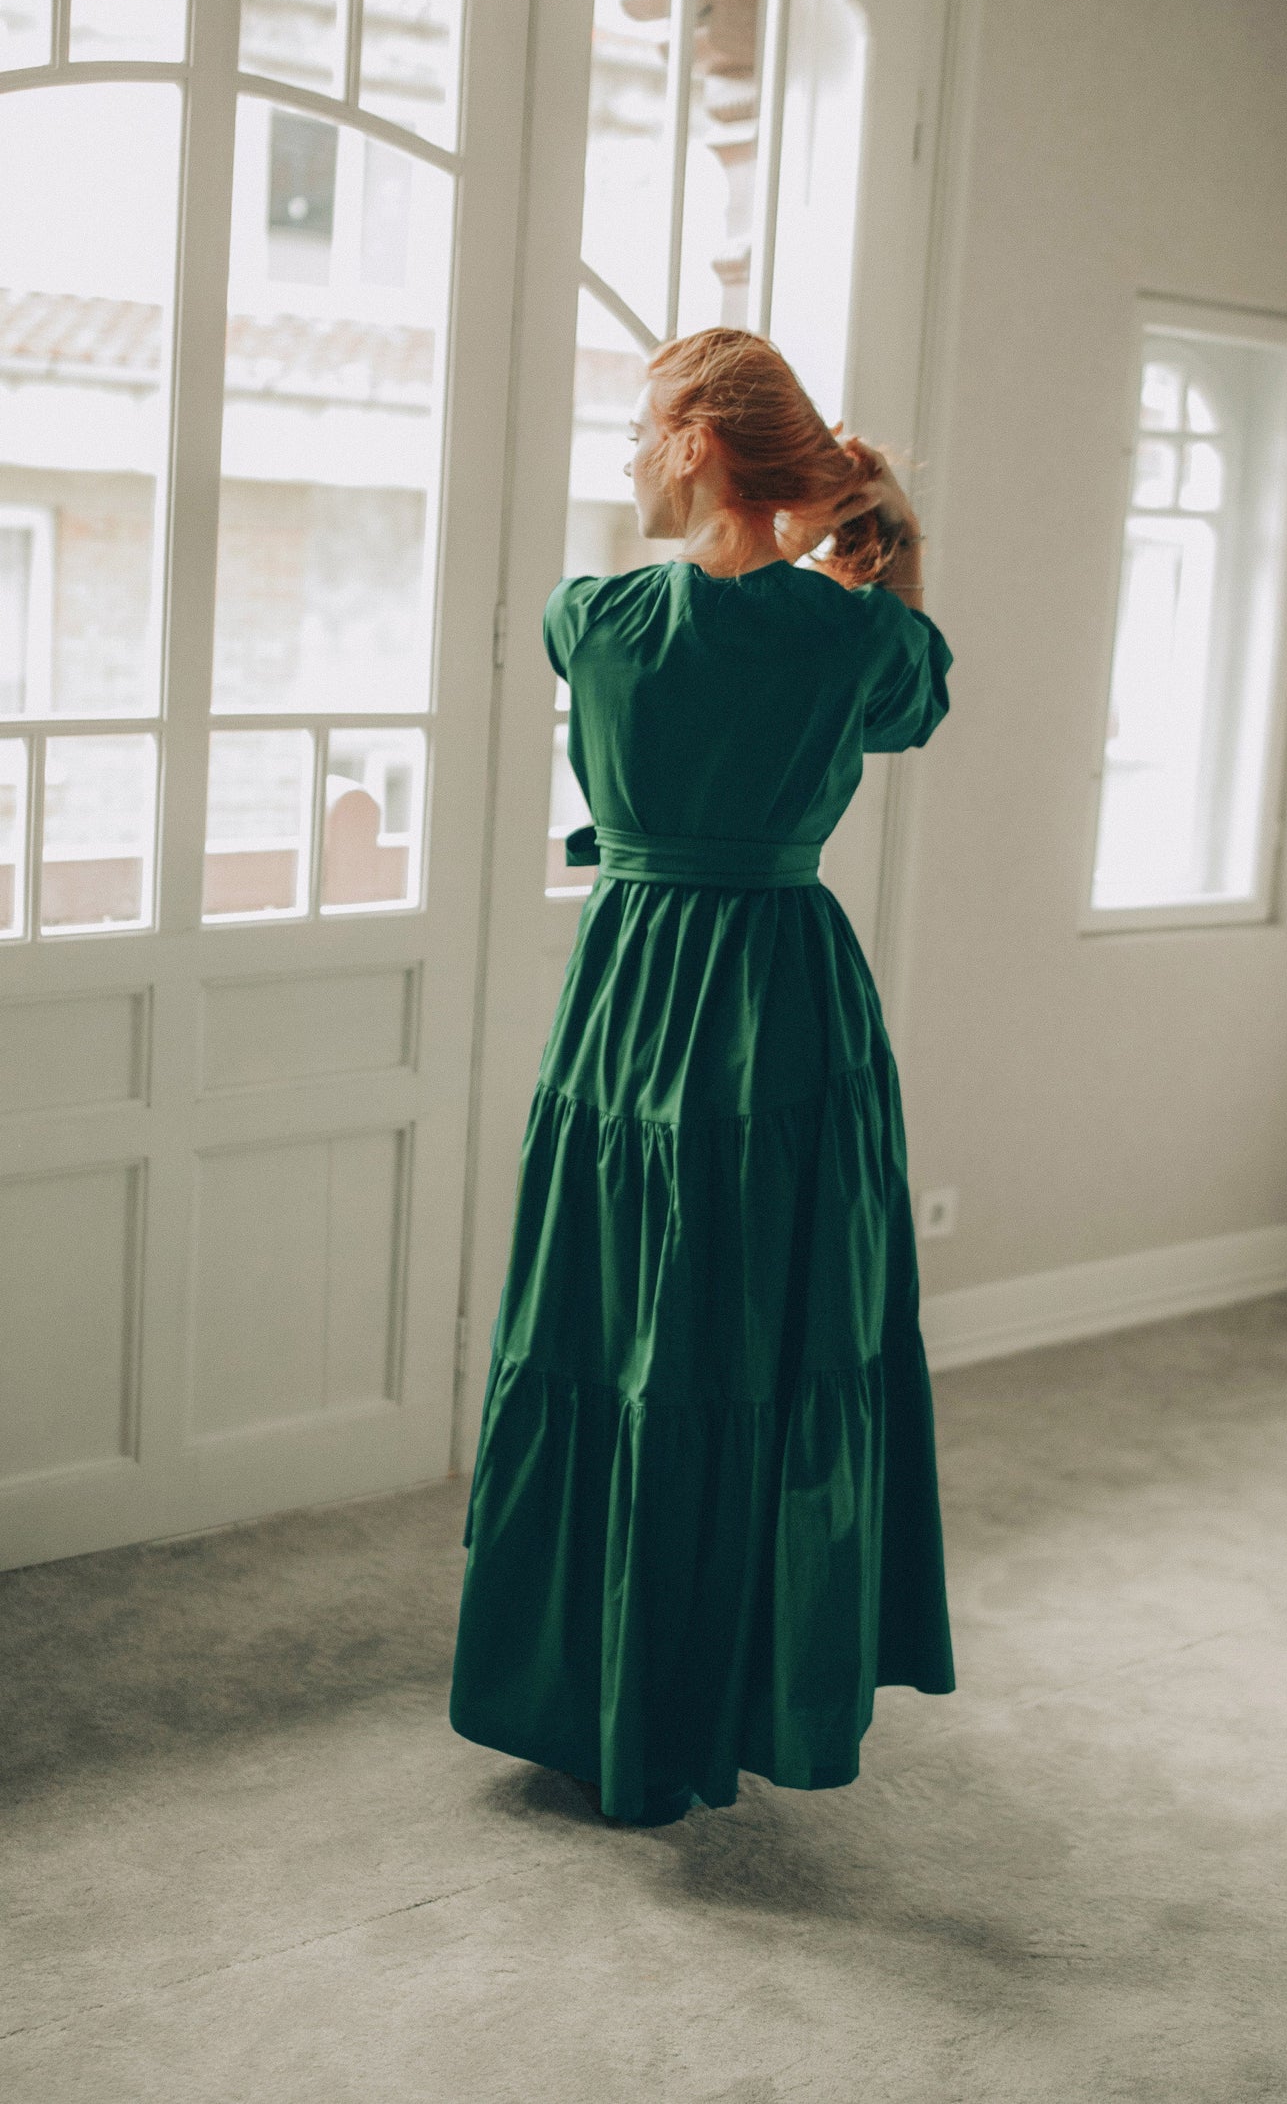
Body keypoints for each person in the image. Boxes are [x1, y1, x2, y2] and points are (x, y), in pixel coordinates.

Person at [450, 326, 956, 1827]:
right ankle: (739, 1677)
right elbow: (908, 703)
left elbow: (658, 639)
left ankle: (599, 1682)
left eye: (636, 425)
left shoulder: (590, 617)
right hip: (786, 998)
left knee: (611, 1329)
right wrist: (876, 551)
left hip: (628, 1001)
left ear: (689, 444)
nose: (622, 452)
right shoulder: (858, 636)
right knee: (769, 1337)